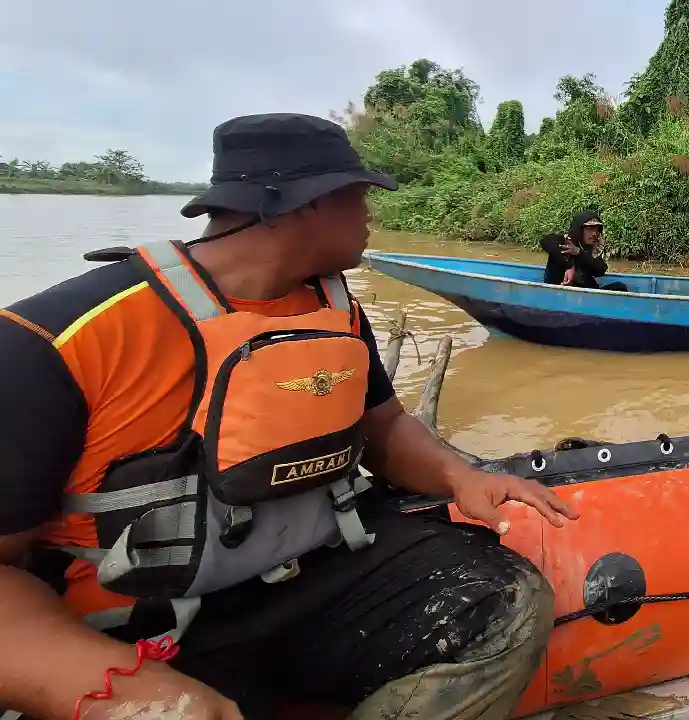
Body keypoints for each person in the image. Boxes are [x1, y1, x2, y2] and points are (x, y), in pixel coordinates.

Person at [0, 113, 580, 720]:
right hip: (137, 623)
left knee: (504, 606)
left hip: (308, 579)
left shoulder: (333, 304)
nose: (370, 217)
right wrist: (136, 697)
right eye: (358, 198)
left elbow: (382, 427)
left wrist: (462, 477)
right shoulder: (55, 340)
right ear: (301, 206)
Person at [540, 210, 628, 292]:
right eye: (590, 228)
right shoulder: (564, 242)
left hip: (585, 293)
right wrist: (570, 265)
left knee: (619, 287)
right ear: (579, 229)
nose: (594, 233)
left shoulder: (590, 249)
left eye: (597, 229)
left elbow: (601, 269)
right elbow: (545, 241)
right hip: (560, 292)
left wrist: (578, 252)